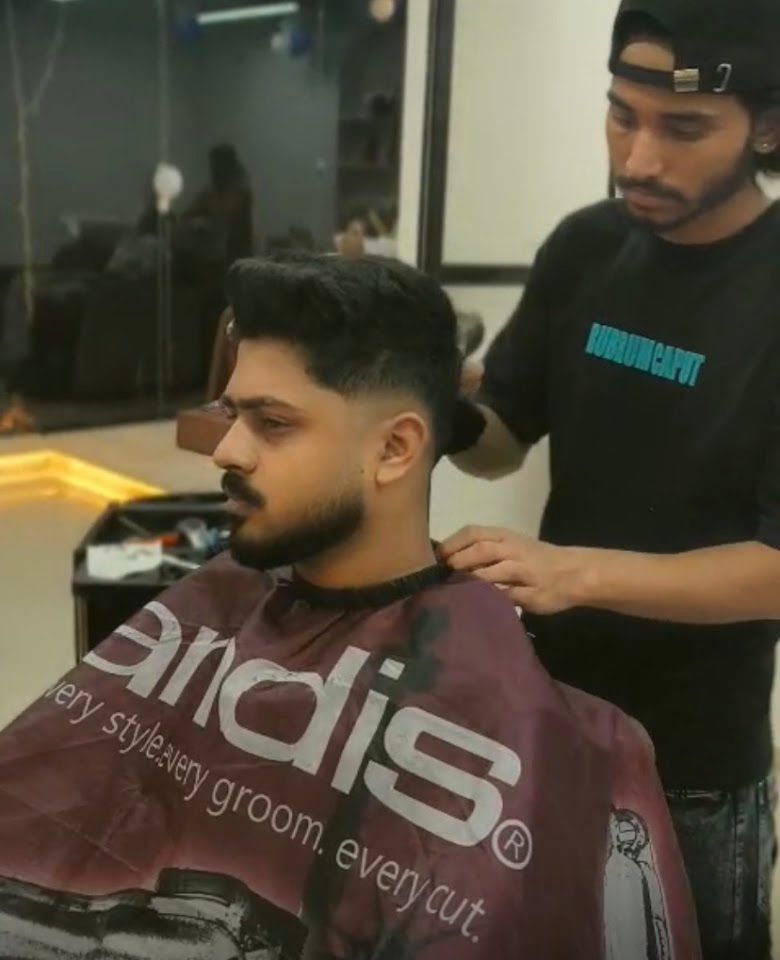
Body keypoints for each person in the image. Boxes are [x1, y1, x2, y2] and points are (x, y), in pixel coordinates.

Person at [0, 254, 699, 959]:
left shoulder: (546, 728)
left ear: (395, 448)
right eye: (232, 414)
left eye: (273, 423)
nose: (227, 451)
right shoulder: (216, 600)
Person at [440, 1, 780, 957]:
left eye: (683, 128)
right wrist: (427, 402)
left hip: (694, 760)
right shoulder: (586, 246)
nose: (638, 158)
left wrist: (571, 572)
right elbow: (500, 439)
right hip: (549, 714)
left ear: (767, 128)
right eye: (621, 117)